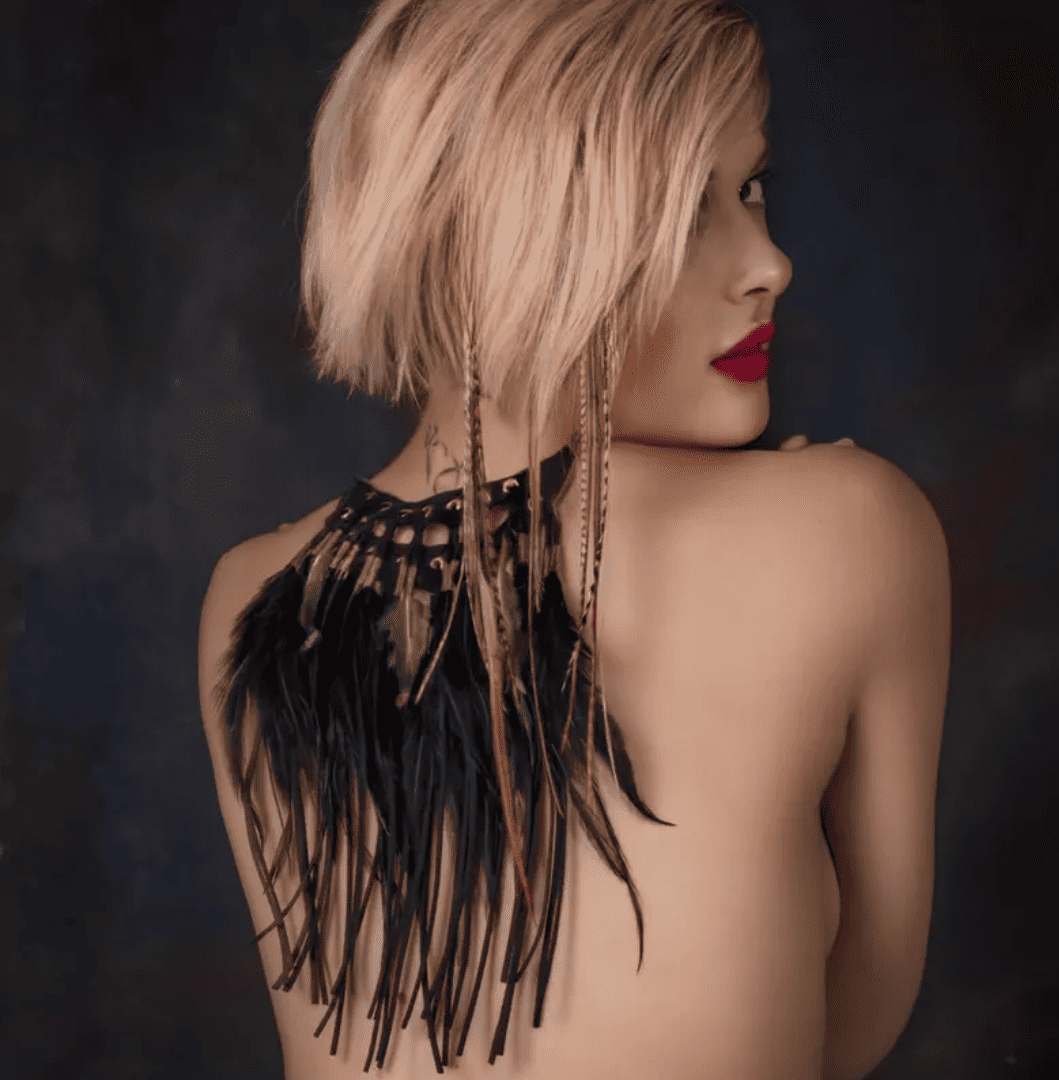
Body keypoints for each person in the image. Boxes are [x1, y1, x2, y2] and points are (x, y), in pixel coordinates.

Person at [196, 2, 951, 1078]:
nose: (770, 263)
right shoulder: (851, 523)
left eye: (748, 189)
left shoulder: (254, 596)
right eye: (679, 216)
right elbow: (849, 1019)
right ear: (518, 240)